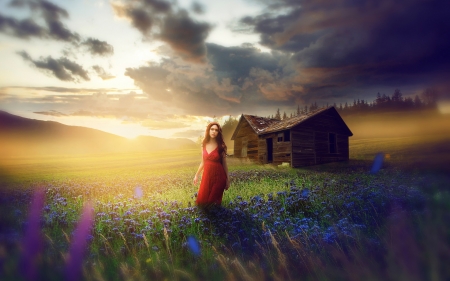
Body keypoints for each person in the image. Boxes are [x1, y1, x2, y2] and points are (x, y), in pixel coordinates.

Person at [193, 122, 230, 207]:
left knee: (212, 203)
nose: (214, 131)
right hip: (207, 176)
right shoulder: (204, 144)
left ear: (218, 132)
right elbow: (203, 162)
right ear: (208, 131)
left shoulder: (221, 146)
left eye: (216, 130)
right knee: (202, 202)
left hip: (219, 176)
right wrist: (196, 175)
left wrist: (228, 178)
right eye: (212, 129)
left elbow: (224, 163)